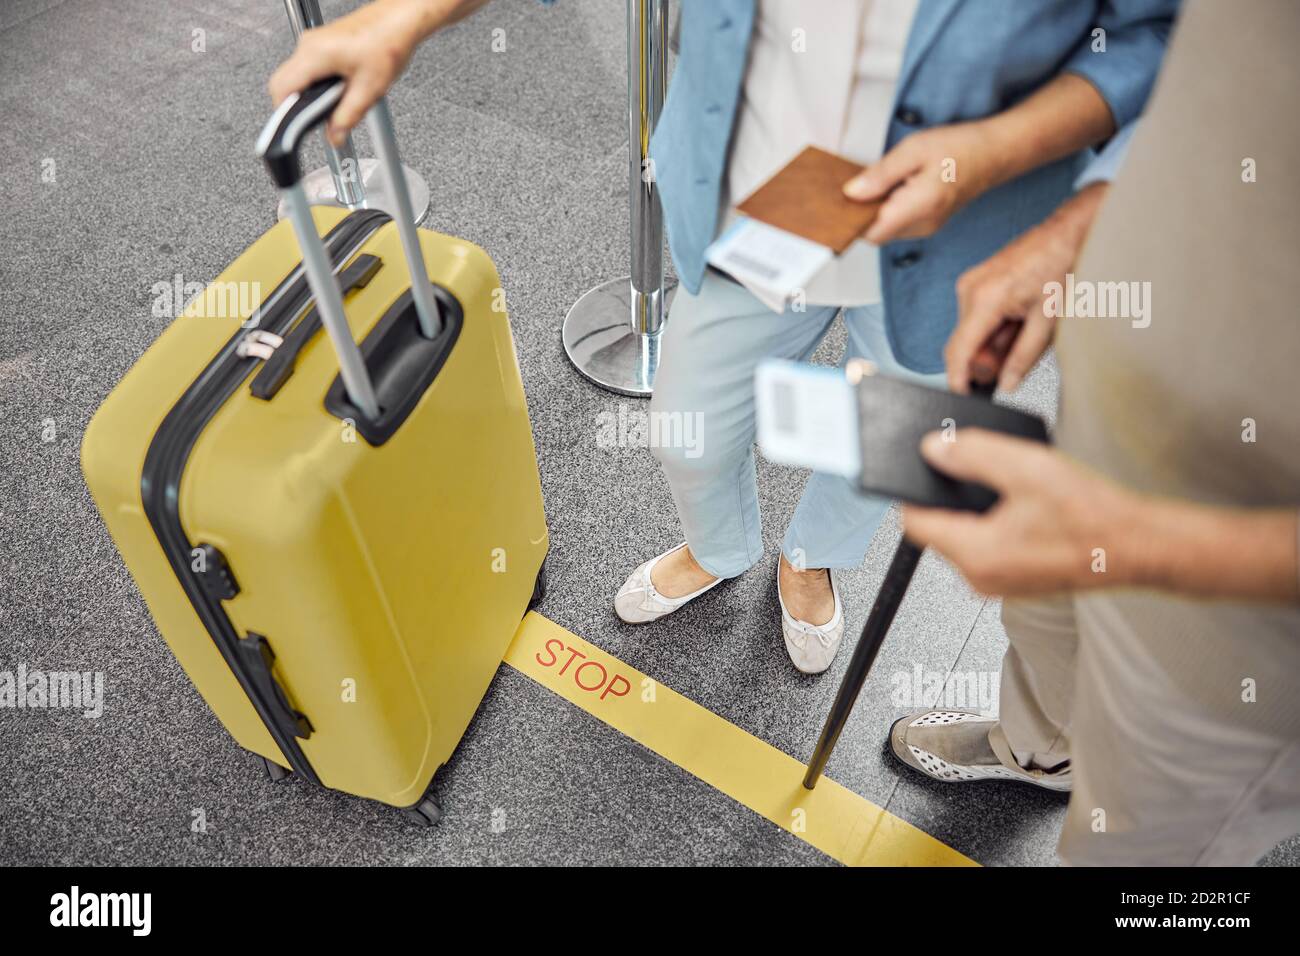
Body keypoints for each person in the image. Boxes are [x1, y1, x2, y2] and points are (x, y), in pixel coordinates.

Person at [269, 0, 1177, 673]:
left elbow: (1162, 33)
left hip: (969, 225)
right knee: (689, 413)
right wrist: (404, 18)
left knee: (890, 433)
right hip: (774, 187)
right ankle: (722, 546)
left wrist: (1038, 186)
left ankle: (811, 555)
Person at [889, 0, 1300, 865]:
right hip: (1113, 417)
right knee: (1045, 625)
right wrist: (1089, 225)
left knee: (1148, 846)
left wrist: (1133, 541)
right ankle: (1042, 752)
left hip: (1243, 617)